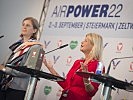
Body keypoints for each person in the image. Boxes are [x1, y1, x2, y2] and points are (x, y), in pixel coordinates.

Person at [43, 33, 105, 100]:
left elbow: (91, 92)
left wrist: (86, 79)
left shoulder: (98, 66)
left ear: (94, 46)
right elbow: (66, 85)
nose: (82, 42)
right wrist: (50, 68)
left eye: (86, 41)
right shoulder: (77, 62)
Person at [0, 17, 44, 100]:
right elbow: (5, 63)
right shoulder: (16, 45)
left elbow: (28, 71)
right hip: (4, 85)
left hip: (18, 89)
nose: (24, 27)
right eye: (23, 25)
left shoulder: (36, 47)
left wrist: (5, 70)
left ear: (34, 30)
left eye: (28, 25)